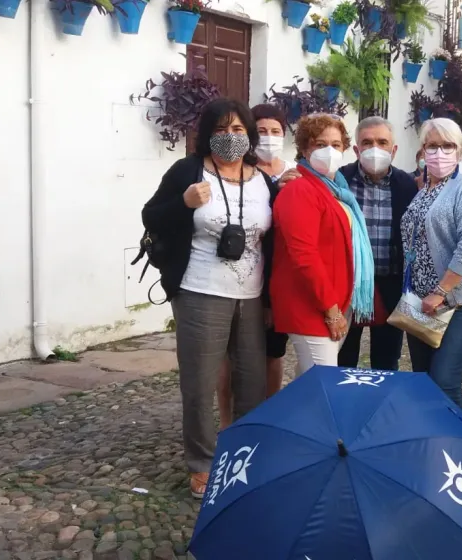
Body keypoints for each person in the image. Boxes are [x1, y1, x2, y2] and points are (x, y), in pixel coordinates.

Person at [141, 98, 275, 499]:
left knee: (251, 381)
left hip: (251, 295)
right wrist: (183, 204)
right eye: (220, 130)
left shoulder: (262, 181)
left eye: (238, 130)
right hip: (200, 290)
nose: (230, 138)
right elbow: (151, 215)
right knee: (199, 384)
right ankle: (201, 464)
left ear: (249, 134)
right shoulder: (188, 171)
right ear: (206, 134)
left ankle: (246, 456)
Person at [270, 114, 375, 373]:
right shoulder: (300, 189)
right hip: (312, 304)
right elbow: (303, 254)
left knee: (311, 380)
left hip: (334, 301)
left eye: (336, 144)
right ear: (305, 149)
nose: (329, 150)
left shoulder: (335, 189)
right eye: (320, 144)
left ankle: (292, 415)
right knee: (323, 382)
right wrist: (331, 310)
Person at [402, 118, 462, 412]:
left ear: (459, 150)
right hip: (421, 301)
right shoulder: (422, 191)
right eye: (432, 145)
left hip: (459, 299)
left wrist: (441, 291)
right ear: (422, 151)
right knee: (424, 381)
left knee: (444, 380)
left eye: (448, 145)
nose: (439, 152)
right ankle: (433, 445)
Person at [215, 103, 291, 431]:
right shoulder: (235, 170)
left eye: (276, 132)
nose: (269, 138)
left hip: (277, 278)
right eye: (261, 131)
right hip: (235, 276)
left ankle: (268, 419)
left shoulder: (294, 173)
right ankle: (228, 421)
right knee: (231, 355)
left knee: (273, 353)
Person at [336, 117, 418, 371]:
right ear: (356, 150)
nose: (375, 148)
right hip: (349, 283)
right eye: (367, 142)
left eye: (382, 142)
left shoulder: (406, 184)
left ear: (393, 150)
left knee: (386, 358)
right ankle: (345, 407)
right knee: (343, 355)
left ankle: (381, 409)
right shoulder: (340, 181)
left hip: (390, 282)